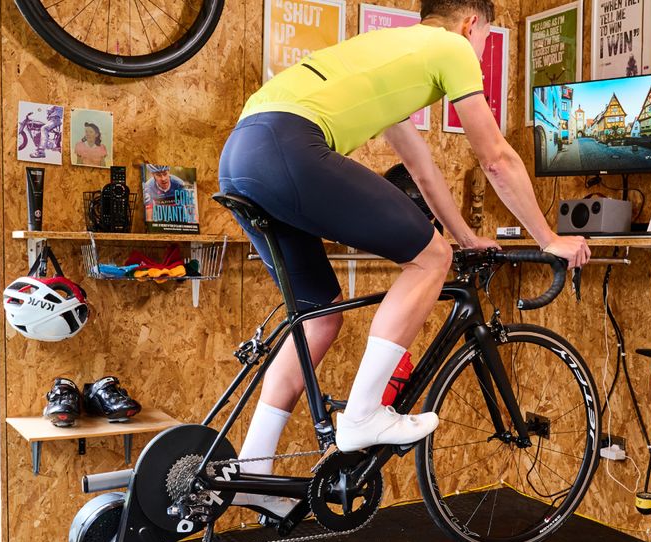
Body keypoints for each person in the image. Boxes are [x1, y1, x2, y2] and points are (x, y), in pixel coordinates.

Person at [217, 0, 590, 501]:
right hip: (288, 146)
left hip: (242, 155)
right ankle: (365, 414)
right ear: (471, 23)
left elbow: (421, 170)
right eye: (484, 43)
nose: (479, 56)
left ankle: (253, 474)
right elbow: (497, 158)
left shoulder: (386, 56)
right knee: (429, 260)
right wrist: (549, 238)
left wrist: (463, 236)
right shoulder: (451, 46)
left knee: (318, 317)